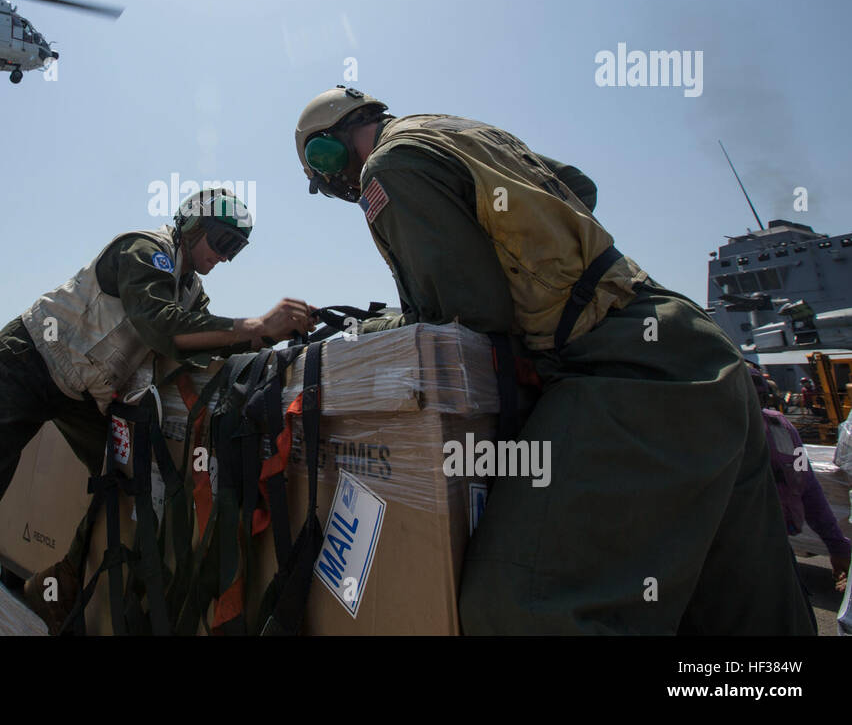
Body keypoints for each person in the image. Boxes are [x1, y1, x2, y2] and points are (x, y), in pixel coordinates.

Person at [294, 85, 816, 634]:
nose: (339, 188)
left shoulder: (386, 167)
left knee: (520, 609)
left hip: (623, 371)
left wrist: (369, 330)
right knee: (747, 612)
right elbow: (580, 186)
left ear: (325, 153)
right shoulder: (455, 131)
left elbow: (468, 313)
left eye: (326, 177)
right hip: (692, 349)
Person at [0, 188, 316, 635]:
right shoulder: (146, 251)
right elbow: (161, 326)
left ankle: (62, 584)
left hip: (84, 394)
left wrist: (267, 342)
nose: (224, 256)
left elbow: (196, 343)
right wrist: (257, 324)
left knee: (125, 481)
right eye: (221, 242)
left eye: (235, 249)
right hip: (30, 364)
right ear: (192, 226)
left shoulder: (190, 290)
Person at [761, 405, 851, 590]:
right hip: (770, 548)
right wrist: (837, 545)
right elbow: (807, 484)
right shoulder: (780, 426)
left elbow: (807, 483)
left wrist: (837, 546)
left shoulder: (779, 426)